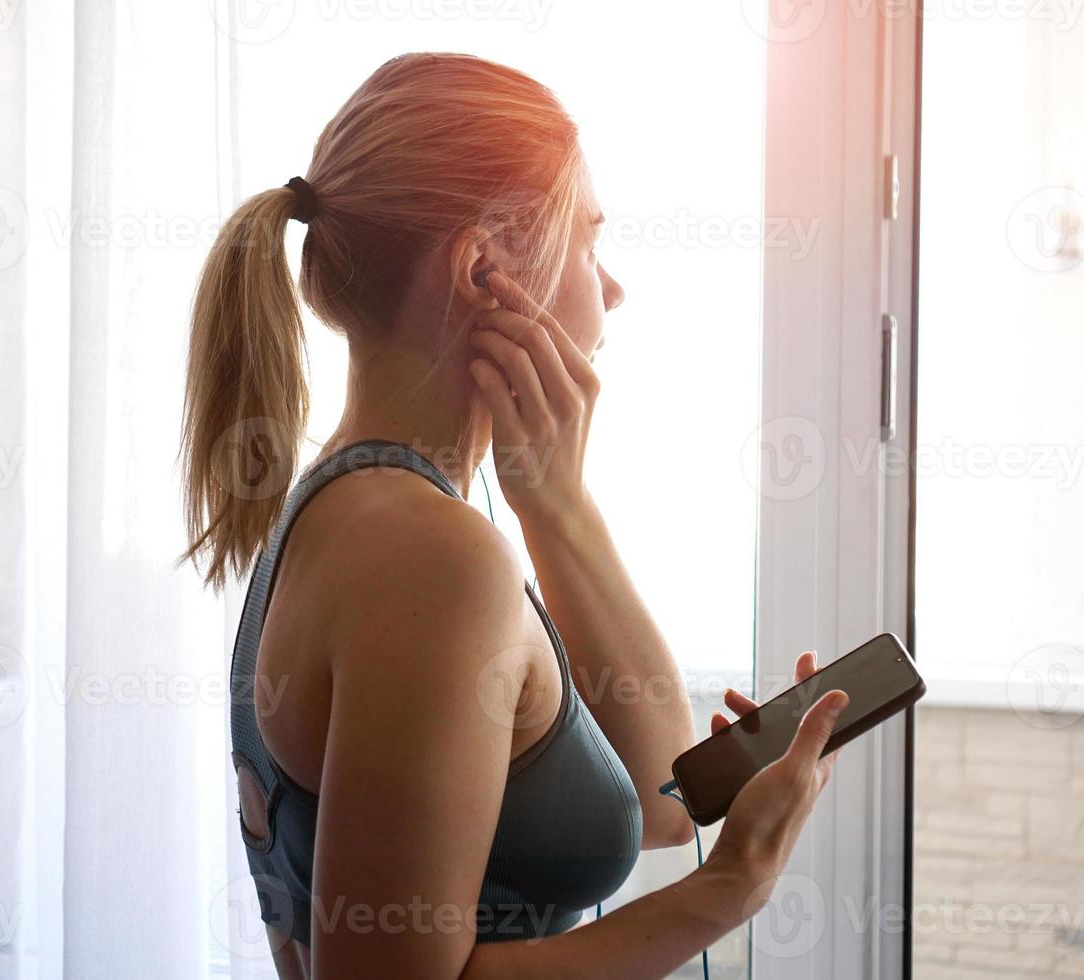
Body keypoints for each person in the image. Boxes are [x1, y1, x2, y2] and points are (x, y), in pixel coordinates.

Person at [180, 51, 850, 980]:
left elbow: (662, 800)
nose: (609, 288)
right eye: (587, 241)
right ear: (485, 268)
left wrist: (557, 502)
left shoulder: (355, 508)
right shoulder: (427, 557)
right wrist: (727, 891)